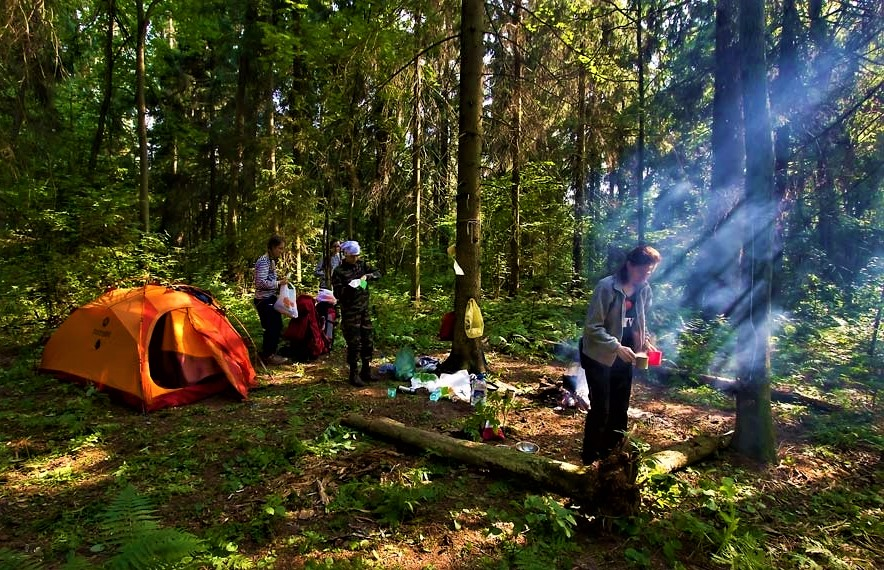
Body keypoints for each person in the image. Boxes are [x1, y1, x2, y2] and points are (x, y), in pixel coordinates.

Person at [580, 244, 661, 464]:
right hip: (599, 355)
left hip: (625, 356)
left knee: (620, 409)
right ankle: (589, 459)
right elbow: (592, 328)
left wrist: (644, 343)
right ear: (630, 265)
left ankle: (612, 456)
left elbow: (638, 323)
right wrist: (616, 347)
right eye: (643, 271)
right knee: (601, 409)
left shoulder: (644, 290)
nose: (646, 276)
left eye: (649, 272)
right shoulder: (606, 287)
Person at [332, 240, 381, 386]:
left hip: (364, 310)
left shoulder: (362, 265)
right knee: (354, 344)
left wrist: (367, 278)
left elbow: (378, 273)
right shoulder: (339, 272)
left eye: (357, 255)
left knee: (368, 341)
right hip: (350, 313)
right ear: (345, 255)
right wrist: (350, 288)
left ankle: (366, 370)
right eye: (352, 256)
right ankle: (353, 374)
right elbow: (338, 294)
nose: (355, 259)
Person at [254, 234, 290, 366]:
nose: (281, 251)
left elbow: (269, 279)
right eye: (280, 249)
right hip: (263, 299)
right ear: (272, 247)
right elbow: (260, 283)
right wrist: (279, 283)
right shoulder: (263, 261)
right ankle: (268, 355)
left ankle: (270, 352)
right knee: (271, 327)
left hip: (270, 297)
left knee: (277, 325)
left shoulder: (271, 261)